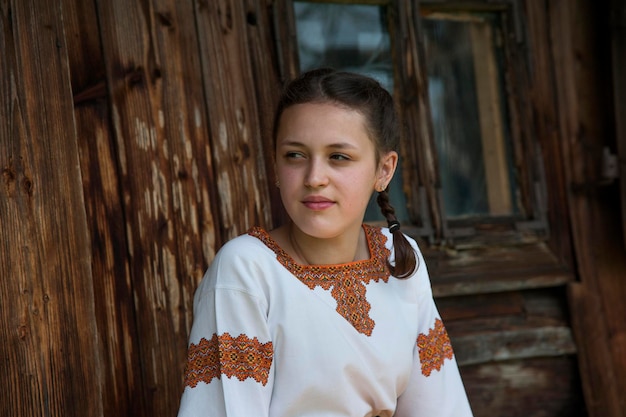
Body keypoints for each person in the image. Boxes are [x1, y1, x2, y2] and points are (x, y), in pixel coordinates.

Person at [177, 68, 473, 417]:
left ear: (384, 170)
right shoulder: (247, 270)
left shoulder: (400, 257)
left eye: (339, 157)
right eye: (295, 155)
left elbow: (441, 407)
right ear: (274, 164)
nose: (314, 178)